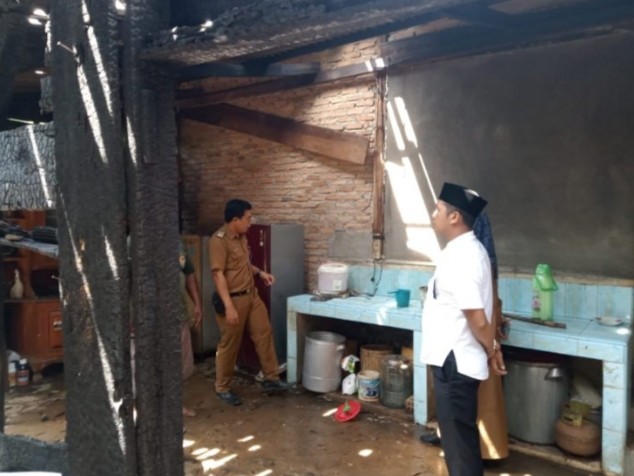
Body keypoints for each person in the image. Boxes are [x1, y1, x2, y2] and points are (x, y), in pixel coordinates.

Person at [420, 183, 506, 476]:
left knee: (460, 449)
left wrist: (491, 348)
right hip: (453, 358)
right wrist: (493, 347)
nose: (433, 214)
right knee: (459, 441)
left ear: (455, 217)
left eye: (438, 209)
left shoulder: (464, 257)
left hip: (454, 362)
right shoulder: (462, 251)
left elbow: (477, 318)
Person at [209, 199, 287, 406]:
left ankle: (271, 378)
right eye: (248, 219)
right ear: (235, 220)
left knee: (264, 333)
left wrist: (260, 273)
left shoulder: (242, 237)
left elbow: (243, 265)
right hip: (233, 300)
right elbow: (218, 274)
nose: (250, 223)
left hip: (252, 296)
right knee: (229, 344)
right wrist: (229, 307)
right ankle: (222, 387)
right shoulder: (219, 240)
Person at [180, 241, 203, 417]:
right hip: (149, 320)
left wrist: (197, 303)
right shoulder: (134, 241)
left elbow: (189, 274)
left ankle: (176, 404)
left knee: (181, 364)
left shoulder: (177, 243)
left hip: (177, 315)